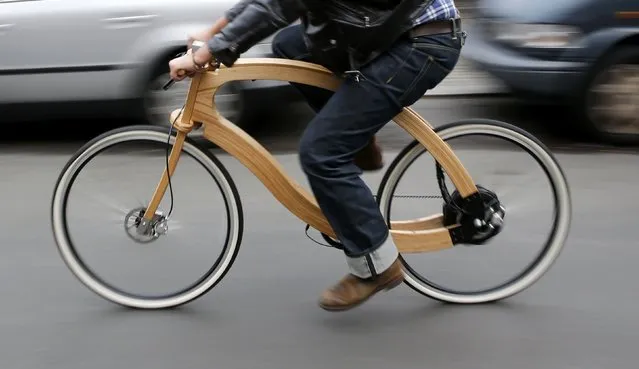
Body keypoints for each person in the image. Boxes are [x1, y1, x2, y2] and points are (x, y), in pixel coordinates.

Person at [169, 0, 465, 312]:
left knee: (321, 152)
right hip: (385, 27)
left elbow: (276, 9)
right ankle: (355, 137)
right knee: (288, 45)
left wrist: (205, 53)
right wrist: (212, 32)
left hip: (422, 43)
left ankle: (376, 267)